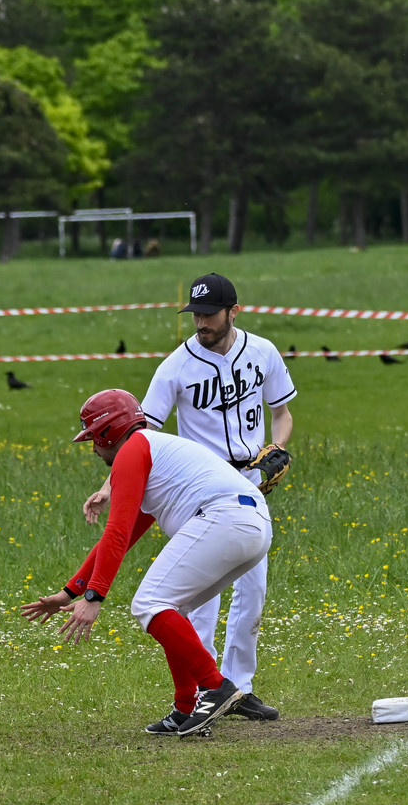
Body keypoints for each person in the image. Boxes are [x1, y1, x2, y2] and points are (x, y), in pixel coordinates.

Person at [82, 273, 295, 722]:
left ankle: (237, 688)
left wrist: (277, 448)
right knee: (195, 603)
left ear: (233, 311)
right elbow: (139, 437)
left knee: (251, 596)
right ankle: (208, 689)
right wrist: (109, 488)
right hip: (197, 490)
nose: (200, 321)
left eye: (208, 313)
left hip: (246, 483)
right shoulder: (175, 366)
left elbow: (283, 413)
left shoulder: (262, 352)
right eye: (195, 314)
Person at [27, 389, 272, 738]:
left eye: (94, 438)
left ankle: (216, 688)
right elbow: (122, 539)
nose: (94, 448)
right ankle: (187, 706)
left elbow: (115, 531)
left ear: (109, 431)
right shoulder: (153, 450)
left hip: (226, 519)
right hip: (253, 525)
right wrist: (69, 593)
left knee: (150, 603)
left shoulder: (133, 451)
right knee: (173, 607)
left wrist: (94, 598)